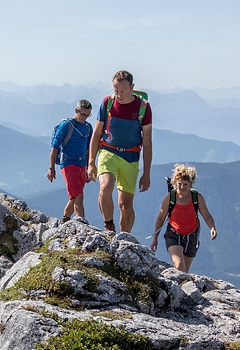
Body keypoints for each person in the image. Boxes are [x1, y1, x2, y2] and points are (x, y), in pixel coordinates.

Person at [87, 70, 153, 233]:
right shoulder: (107, 103)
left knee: (125, 204)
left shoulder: (143, 108)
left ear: (132, 87)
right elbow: (96, 134)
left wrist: (146, 174)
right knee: (105, 187)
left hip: (130, 157)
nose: (119, 95)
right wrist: (91, 163)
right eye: (116, 91)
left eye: (123, 91)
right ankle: (108, 225)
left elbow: (147, 143)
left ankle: (125, 237)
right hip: (108, 151)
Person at [150, 164, 217, 273]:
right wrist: (155, 238)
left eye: (185, 184)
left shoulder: (196, 197)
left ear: (191, 183)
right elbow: (161, 218)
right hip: (173, 233)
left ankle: (178, 284)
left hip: (192, 236)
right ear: (175, 182)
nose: (182, 187)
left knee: (184, 272)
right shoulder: (170, 198)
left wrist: (212, 228)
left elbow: (207, 215)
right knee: (179, 265)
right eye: (179, 184)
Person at [47, 99, 94, 223]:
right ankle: (82, 222)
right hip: (68, 164)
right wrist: (51, 168)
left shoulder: (88, 127)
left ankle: (65, 220)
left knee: (74, 196)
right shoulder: (66, 126)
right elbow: (54, 147)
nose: (85, 118)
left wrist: (89, 168)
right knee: (78, 195)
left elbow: (88, 149)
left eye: (88, 115)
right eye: (83, 114)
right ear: (76, 111)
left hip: (82, 164)